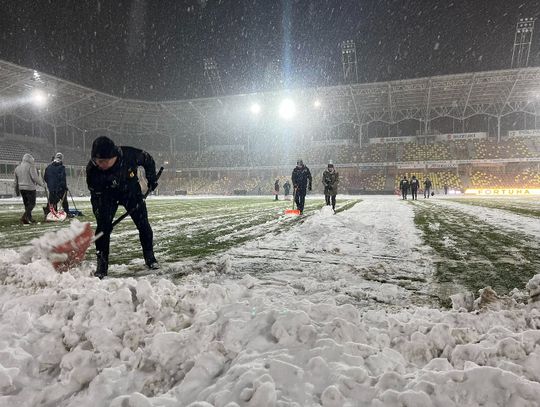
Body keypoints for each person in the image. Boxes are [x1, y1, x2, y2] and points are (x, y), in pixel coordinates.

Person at [86, 136, 159, 279]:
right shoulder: (93, 170)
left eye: (103, 161)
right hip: (107, 196)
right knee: (102, 229)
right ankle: (102, 265)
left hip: (130, 192)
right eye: (96, 161)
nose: (99, 164)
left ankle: (150, 258)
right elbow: (95, 198)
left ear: (113, 157)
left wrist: (152, 179)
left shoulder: (130, 155)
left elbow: (148, 160)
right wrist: (100, 215)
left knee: (143, 225)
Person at [14, 153, 45, 224]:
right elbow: (34, 177)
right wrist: (42, 184)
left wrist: (16, 190)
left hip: (21, 188)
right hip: (30, 188)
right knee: (32, 204)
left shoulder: (17, 168)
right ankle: (24, 217)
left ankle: (29, 218)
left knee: (26, 204)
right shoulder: (31, 166)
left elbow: (15, 181)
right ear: (30, 159)